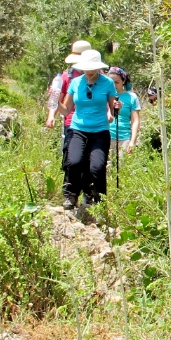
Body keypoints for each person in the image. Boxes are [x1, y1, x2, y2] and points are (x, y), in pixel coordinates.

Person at [57, 49, 120, 216]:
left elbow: (112, 110)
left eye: (92, 68)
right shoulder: (75, 83)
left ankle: (97, 200)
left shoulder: (107, 83)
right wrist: (55, 103)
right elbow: (66, 109)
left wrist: (114, 110)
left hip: (100, 131)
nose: (89, 71)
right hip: (78, 129)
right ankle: (71, 195)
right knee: (74, 162)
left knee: (97, 168)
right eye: (86, 67)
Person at [47, 40, 90, 206]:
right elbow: (56, 98)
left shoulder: (99, 76)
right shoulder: (66, 77)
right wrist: (51, 115)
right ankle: (70, 195)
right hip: (71, 122)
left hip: (93, 124)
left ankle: (88, 194)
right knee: (71, 160)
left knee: (88, 160)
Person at [107, 67, 140, 154]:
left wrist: (133, 141)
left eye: (117, 82)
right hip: (106, 136)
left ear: (123, 81)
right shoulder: (105, 95)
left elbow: (135, 120)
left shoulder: (132, 97)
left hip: (124, 138)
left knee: (123, 166)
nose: (114, 85)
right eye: (111, 82)